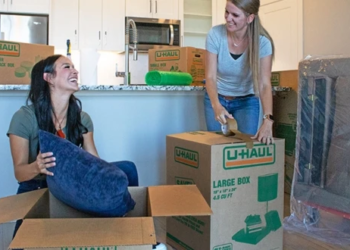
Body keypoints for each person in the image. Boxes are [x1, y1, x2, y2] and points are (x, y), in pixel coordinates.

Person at [7, 54, 138, 237]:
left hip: (72, 184)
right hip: (37, 185)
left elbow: (95, 161)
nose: (75, 70)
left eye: (74, 67)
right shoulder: (24, 118)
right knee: (21, 242)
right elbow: (19, 173)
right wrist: (37, 166)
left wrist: (107, 180)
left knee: (128, 169)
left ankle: (132, 234)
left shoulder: (82, 119)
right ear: (48, 78)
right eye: (66, 67)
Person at [204, 0, 275, 145]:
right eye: (227, 12)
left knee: (245, 149)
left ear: (250, 18)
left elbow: (264, 84)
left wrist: (268, 120)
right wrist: (216, 106)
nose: (228, 18)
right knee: (216, 149)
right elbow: (210, 77)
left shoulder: (263, 43)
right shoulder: (215, 34)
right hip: (218, 98)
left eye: (235, 15)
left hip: (247, 101)